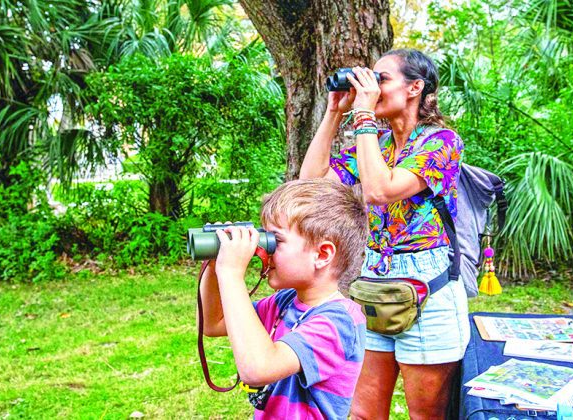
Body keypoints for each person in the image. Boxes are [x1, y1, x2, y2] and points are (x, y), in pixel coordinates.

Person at [299, 48, 470, 419]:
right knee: (362, 413)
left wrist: (362, 114)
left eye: (381, 80)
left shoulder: (441, 141)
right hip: (375, 284)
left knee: (425, 415)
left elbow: (381, 190)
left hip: (429, 290)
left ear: (415, 88)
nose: (371, 89)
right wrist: (334, 112)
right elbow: (311, 186)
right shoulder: (375, 143)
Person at [199, 178, 369, 419]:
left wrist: (231, 273)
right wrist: (217, 265)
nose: (264, 251)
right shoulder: (285, 302)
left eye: (275, 241)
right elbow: (213, 323)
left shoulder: (340, 322)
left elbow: (259, 369)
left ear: (322, 254)